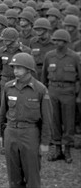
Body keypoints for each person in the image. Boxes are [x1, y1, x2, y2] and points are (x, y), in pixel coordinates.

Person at [0, 52, 52, 188]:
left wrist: (45, 142)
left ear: (29, 69)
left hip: (30, 134)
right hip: (11, 132)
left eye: (19, 68)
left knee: (32, 176)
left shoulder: (40, 89)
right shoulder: (9, 87)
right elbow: (2, 113)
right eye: (14, 67)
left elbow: (47, 119)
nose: (15, 71)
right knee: (13, 176)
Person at [41, 29, 81, 163]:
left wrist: (78, 95)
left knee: (69, 121)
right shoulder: (49, 56)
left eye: (61, 41)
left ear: (67, 42)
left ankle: (67, 150)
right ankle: (57, 149)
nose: (58, 43)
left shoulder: (74, 57)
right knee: (54, 120)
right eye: (56, 40)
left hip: (68, 92)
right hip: (52, 90)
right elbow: (44, 77)